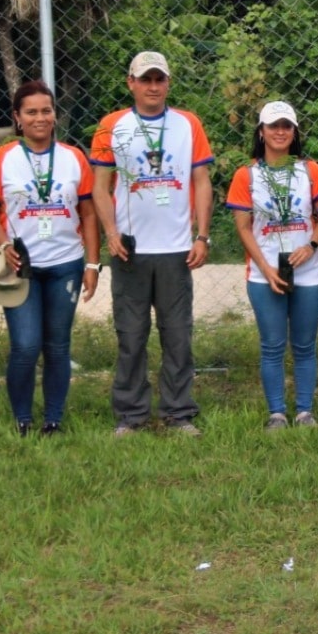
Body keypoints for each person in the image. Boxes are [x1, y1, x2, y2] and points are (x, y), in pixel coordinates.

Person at [90, 51, 214, 437]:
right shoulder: (112, 126)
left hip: (176, 249)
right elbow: (99, 186)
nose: (153, 87)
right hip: (130, 248)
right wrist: (111, 232)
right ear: (131, 83)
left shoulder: (187, 124)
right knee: (131, 334)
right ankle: (131, 414)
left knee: (178, 335)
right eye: (146, 79)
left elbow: (201, 181)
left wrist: (202, 235)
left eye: (160, 79)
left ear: (168, 84)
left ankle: (178, 412)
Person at [0, 81, 100, 436]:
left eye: (46, 110)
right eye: (31, 111)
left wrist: (92, 263)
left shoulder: (74, 157)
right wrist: (5, 245)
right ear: (17, 117)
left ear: (55, 115)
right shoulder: (1, 158)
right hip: (21, 268)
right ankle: (23, 418)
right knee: (26, 345)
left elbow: (89, 214)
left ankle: (53, 419)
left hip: (66, 263)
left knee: (58, 346)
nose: (40, 118)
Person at [227, 101, 318, 431]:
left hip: (308, 271)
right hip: (264, 272)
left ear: (295, 132)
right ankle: (276, 413)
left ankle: (304, 411)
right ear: (261, 132)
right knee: (271, 345)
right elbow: (243, 228)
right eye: (273, 126)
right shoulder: (247, 176)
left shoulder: (310, 171)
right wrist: (266, 268)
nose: (280, 131)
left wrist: (311, 245)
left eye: (287, 125)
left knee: (304, 344)